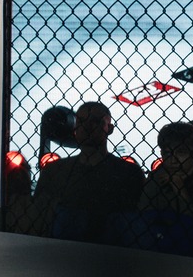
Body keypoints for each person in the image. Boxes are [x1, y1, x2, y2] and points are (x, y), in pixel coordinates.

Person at [31, 101, 144, 237]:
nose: (87, 126)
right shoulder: (54, 171)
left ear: (109, 128)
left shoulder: (129, 173)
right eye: (81, 121)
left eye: (95, 121)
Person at [138, 121, 193, 217]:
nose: (173, 160)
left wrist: (180, 188)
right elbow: (144, 216)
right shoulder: (157, 177)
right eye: (167, 153)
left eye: (181, 152)